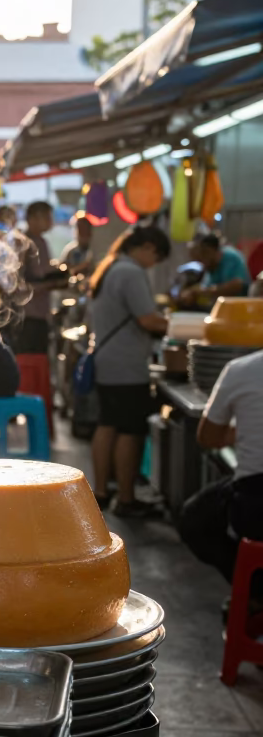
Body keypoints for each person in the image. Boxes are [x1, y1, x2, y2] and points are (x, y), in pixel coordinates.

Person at [88, 225, 171, 516]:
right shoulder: (131, 272)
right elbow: (148, 319)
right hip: (126, 365)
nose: (153, 264)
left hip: (108, 361)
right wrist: (185, 327)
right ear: (147, 247)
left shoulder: (111, 267)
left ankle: (99, 492)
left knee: (107, 424)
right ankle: (126, 498)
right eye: (156, 257)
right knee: (130, 430)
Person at [179, 349, 263, 589]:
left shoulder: (241, 370)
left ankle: (252, 590)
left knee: (194, 520)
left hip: (255, 507)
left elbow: (209, 437)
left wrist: (246, 429)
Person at [14, 200, 58, 354]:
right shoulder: (23, 243)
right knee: (30, 359)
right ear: (32, 219)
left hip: (41, 312)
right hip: (28, 314)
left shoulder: (41, 242)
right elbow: (21, 280)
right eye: (46, 217)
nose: (50, 221)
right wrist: (52, 282)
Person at [179, 232, 250, 306]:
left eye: (203, 253)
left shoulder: (231, 257)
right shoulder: (210, 268)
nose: (200, 260)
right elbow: (206, 287)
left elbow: (236, 286)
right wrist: (192, 293)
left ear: (210, 250)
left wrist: (205, 292)